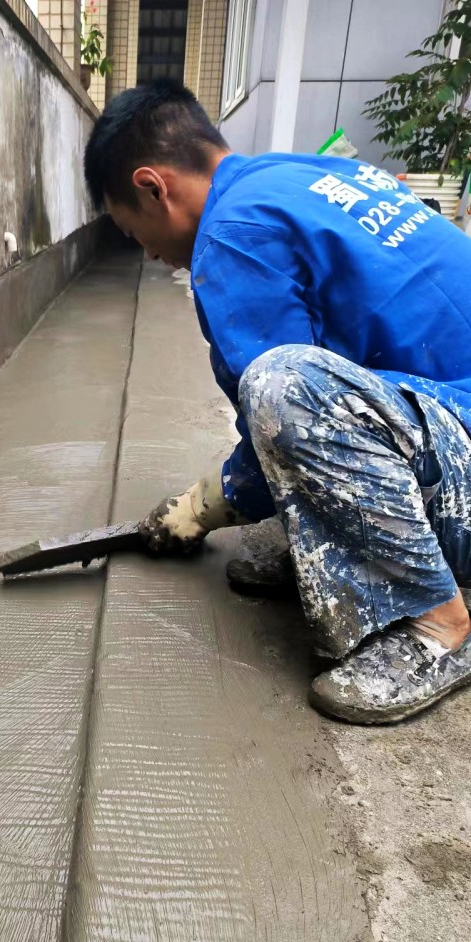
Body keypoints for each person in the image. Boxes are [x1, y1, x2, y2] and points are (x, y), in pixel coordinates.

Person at [83, 78, 471, 725]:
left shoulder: (232, 237)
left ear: (153, 187)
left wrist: (201, 506)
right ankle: (358, 562)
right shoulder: (300, 175)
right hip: (452, 415)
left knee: (279, 386)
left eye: (134, 231)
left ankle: (436, 623)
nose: (148, 252)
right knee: (297, 397)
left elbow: (288, 410)